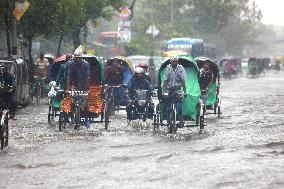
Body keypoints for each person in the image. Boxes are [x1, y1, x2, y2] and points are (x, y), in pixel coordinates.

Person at [67, 47, 91, 128]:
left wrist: (87, 88)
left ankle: (87, 119)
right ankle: (72, 118)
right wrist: (68, 88)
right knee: (73, 102)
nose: (78, 59)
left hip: (84, 86)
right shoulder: (71, 64)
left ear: (81, 57)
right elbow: (69, 76)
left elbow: (88, 77)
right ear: (75, 58)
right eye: (76, 58)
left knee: (85, 103)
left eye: (79, 58)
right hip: (75, 85)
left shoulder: (86, 64)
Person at [163, 56, 187, 125]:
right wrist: (164, 91)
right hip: (169, 89)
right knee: (167, 106)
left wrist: (185, 92)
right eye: (173, 61)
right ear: (171, 62)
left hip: (178, 89)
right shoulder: (168, 68)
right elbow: (165, 80)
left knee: (179, 107)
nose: (175, 62)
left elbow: (183, 81)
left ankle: (181, 120)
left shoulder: (180, 68)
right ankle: (168, 119)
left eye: (176, 61)